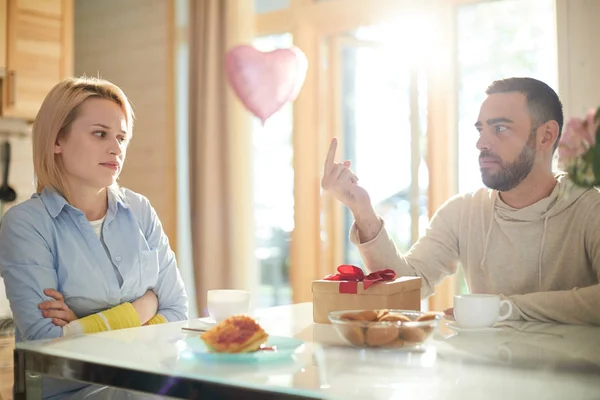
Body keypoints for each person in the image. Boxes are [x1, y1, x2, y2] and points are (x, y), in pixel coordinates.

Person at [321, 77, 600, 326]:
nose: (481, 143)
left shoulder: (590, 208)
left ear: (546, 136)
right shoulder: (462, 212)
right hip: (487, 378)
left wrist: (505, 308)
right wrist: (362, 209)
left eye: (500, 128)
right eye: (481, 130)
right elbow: (405, 286)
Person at [0, 77, 188, 399]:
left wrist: (82, 326)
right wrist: (144, 306)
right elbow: (47, 342)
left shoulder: (140, 210)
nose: (116, 148)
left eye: (121, 137)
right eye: (100, 134)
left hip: (145, 385)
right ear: (57, 139)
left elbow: (177, 311)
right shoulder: (25, 224)